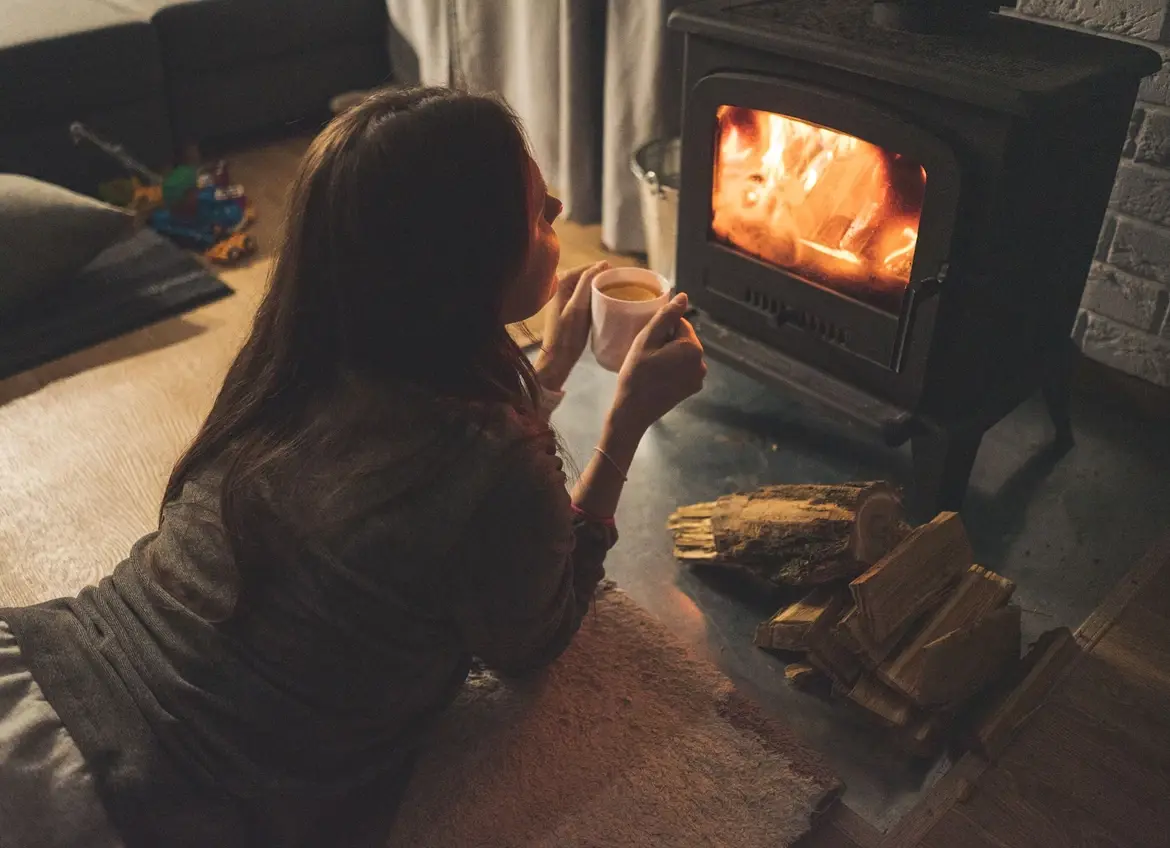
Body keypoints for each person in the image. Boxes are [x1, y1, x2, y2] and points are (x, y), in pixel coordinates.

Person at [0, 87, 706, 847]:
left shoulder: (298, 360)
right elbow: (533, 642)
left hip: (41, 668)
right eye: (534, 208)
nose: (562, 207)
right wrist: (624, 424)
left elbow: (424, 472)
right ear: (462, 259)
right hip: (125, 800)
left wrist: (551, 367)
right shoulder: (493, 471)